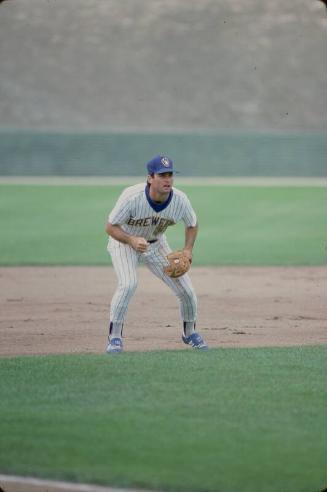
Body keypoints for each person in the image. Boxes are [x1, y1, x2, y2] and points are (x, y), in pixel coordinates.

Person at [105, 155, 208, 353]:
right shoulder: (131, 197)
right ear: (150, 178)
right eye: (162, 175)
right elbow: (110, 227)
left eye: (170, 175)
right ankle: (115, 337)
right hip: (124, 243)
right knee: (128, 284)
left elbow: (192, 225)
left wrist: (188, 249)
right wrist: (131, 240)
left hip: (157, 244)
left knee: (187, 291)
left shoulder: (180, 200)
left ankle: (189, 333)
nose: (167, 179)